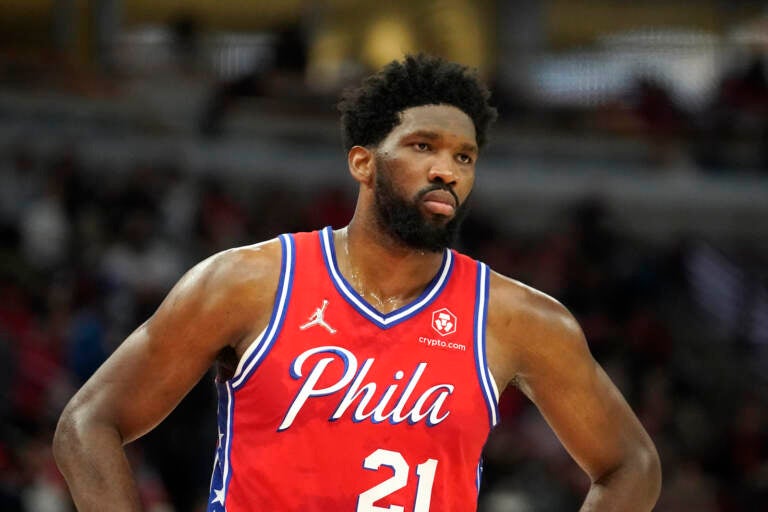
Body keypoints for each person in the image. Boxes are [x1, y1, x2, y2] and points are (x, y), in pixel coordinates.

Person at [53, 54, 661, 511]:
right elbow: (88, 423)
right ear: (363, 161)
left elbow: (630, 463)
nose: (446, 170)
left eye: (465, 157)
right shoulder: (246, 283)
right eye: (424, 146)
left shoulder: (519, 318)